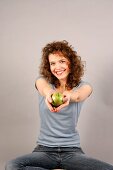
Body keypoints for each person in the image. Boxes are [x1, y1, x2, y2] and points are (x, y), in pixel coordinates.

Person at [5, 40, 113, 170]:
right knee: (12, 166)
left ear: (71, 63)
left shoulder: (84, 86)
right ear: (48, 67)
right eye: (52, 63)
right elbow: (45, 89)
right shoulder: (42, 81)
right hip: (44, 151)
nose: (57, 67)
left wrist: (69, 96)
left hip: (72, 152)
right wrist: (50, 94)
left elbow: (78, 95)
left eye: (62, 61)